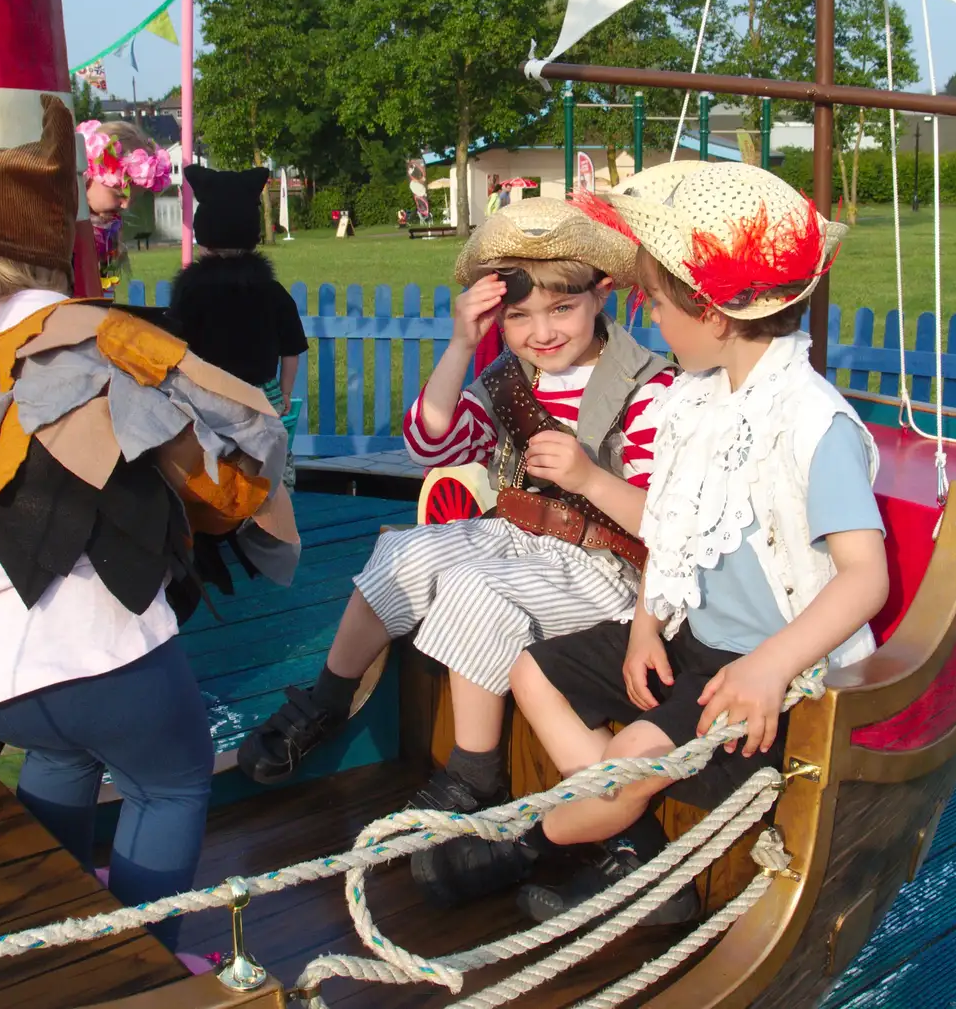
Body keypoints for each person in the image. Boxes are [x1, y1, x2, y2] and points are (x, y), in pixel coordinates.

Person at [0, 97, 299, 958]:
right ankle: (147, 957)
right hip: (98, 653)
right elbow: (238, 434)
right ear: (40, 244)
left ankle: (56, 933)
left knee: (64, 754)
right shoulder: (98, 337)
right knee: (172, 778)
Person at [237, 196, 676, 897]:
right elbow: (430, 439)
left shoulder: (647, 391)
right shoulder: (511, 379)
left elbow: (667, 522)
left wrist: (590, 475)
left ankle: (473, 769)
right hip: (522, 536)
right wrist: (462, 343)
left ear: (603, 295)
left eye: (561, 310)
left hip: (605, 564)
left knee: (475, 591)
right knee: (406, 550)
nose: (541, 332)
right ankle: (327, 696)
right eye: (520, 316)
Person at [494, 162, 891, 924]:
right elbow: (673, 527)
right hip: (691, 637)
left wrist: (770, 667)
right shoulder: (694, 397)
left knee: (623, 764)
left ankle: (527, 841)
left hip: (764, 673)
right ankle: (630, 850)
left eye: (657, 304)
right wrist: (646, 622)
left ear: (709, 312)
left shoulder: (812, 424)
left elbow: (863, 576)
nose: (651, 322)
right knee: (532, 668)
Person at [164, 164, 308, 493]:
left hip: (203, 395)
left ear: (203, 237)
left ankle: (211, 511)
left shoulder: (191, 291)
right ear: (252, 236)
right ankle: (271, 514)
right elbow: (292, 349)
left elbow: (174, 342)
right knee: (269, 463)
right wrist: (284, 392)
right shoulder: (271, 291)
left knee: (206, 465)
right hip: (261, 396)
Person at [77, 119, 170, 289]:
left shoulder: (108, 228)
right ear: (88, 175)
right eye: (119, 194)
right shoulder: (64, 228)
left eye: (133, 199)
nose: (126, 206)